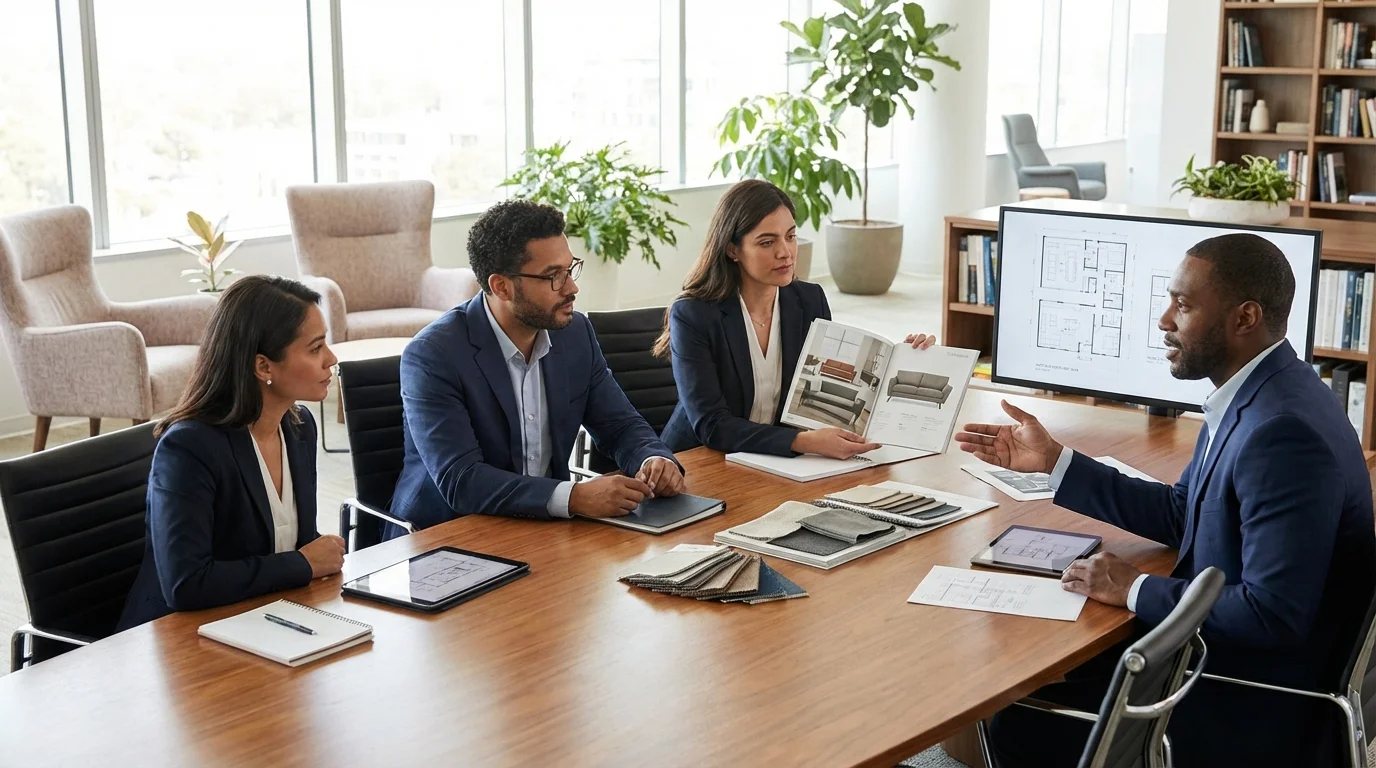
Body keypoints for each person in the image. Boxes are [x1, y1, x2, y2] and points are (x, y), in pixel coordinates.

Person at [955, 233, 1376, 766]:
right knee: (1058, 674)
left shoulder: (1282, 434)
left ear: (1244, 318)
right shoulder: (1263, 390)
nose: (1163, 320)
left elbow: (1272, 616)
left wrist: (1135, 587)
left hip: (1250, 697)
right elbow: (1187, 513)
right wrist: (1055, 463)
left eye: (1183, 305)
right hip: (1233, 665)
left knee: (1019, 719)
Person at [389, 199, 683, 532]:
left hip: (544, 527)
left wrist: (652, 459)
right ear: (501, 286)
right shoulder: (433, 355)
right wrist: (574, 497)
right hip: (445, 536)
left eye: (570, 269)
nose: (572, 287)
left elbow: (619, 425)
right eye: (553, 277)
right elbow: (462, 480)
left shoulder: (575, 334)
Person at [119, 276, 347, 630]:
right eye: (315, 348)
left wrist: (316, 552)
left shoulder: (299, 428)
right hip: (180, 640)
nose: (330, 359)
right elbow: (186, 584)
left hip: (263, 620)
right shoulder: (189, 448)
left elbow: (296, 541)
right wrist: (302, 563)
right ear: (263, 367)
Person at [655, 179, 935, 459]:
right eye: (767, 242)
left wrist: (905, 359)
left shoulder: (809, 300)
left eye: (790, 236)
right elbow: (712, 425)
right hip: (697, 460)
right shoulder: (693, 314)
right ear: (732, 250)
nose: (785, 252)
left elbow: (838, 383)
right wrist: (804, 441)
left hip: (774, 459)